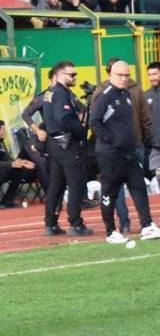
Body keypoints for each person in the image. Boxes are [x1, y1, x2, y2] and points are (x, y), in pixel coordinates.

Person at [90, 60, 160, 242]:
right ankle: (111, 231)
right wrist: (112, 141)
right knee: (110, 192)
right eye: (120, 75)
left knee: (139, 187)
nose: (124, 79)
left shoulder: (127, 94)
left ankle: (147, 225)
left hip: (129, 152)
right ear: (111, 75)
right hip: (111, 154)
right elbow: (95, 122)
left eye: (127, 75)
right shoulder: (104, 96)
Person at [41, 61, 94, 237]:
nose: (75, 77)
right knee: (75, 184)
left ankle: (50, 223)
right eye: (71, 75)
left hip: (54, 143)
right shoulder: (61, 94)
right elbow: (64, 118)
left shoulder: (49, 93)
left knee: (56, 186)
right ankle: (75, 223)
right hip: (66, 144)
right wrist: (80, 131)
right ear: (60, 75)